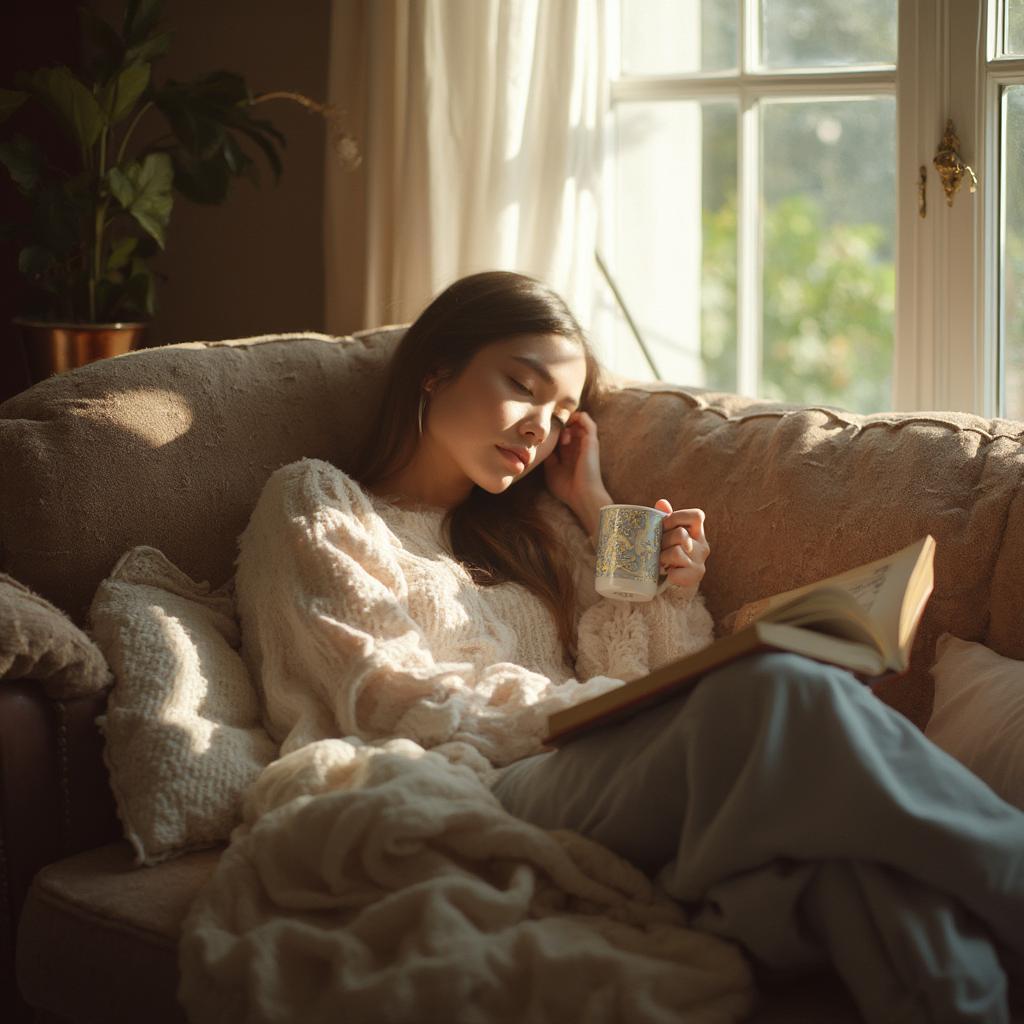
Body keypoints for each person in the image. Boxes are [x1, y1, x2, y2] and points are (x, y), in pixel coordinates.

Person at [239, 269, 1024, 1024]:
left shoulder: (533, 535)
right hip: (465, 778)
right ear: (436, 369)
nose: (539, 429)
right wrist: (600, 708)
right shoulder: (319, 500)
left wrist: (599, 509)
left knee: (843, 869)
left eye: (561, 412)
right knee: (782, 690)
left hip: (582, 766)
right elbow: (383, 696)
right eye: (522, 385)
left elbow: (642, 673)